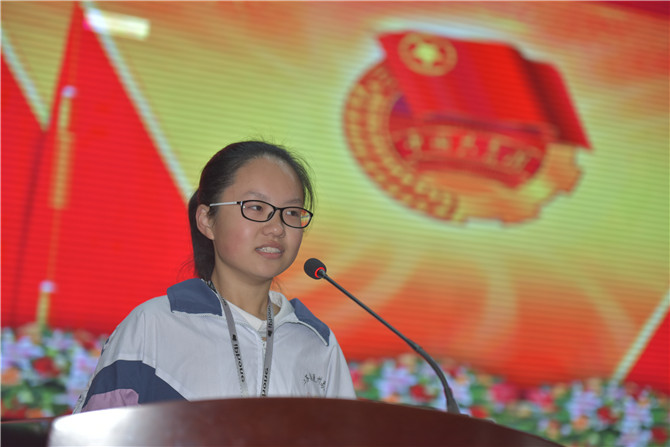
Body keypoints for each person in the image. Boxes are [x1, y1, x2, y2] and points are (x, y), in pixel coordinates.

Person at [74, 141, 356, 412]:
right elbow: (92, 433)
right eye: (256, 207)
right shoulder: (153, 325)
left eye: (292, 212)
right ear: (207, 220)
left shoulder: (317, 343)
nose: (277, 228)